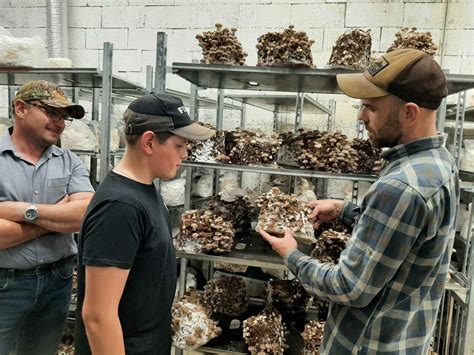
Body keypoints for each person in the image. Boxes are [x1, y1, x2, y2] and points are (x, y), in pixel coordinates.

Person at [260, 48, 458, 354]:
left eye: (371, 108)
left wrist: (292, 255)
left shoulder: (401, 186)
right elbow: (404, 239)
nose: (360, 117)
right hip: (401, 339)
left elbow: (348, 287)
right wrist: (344, 209)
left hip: (368, 345)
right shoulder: (438, 163)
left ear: (409, 113)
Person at [75, 93, 215, 355]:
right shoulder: (119, 208)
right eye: (180, 145)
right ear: (149, 142)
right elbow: (98, 317)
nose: (185, 154)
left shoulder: (144, 190)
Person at [0, 80, 94, 355]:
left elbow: (83, 216)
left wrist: (19, 212)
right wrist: (56, 218)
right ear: (21, 108)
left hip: (57, 282)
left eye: (64, 117)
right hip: (5, 284)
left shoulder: (70, 161)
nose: (60, 122)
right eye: (52, 112)